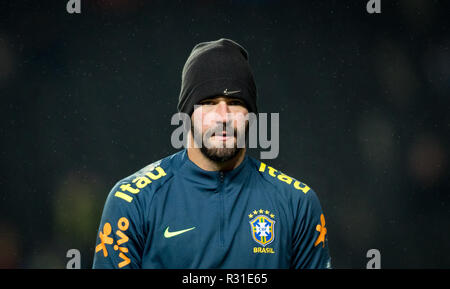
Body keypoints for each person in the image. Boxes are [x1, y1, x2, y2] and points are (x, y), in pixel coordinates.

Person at [92, 38, 331, 269]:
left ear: (251, 115)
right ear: (186, 114)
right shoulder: (133, 201)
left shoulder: (297, 203)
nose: (223, 115)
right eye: (208, 102)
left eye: (235, 102)